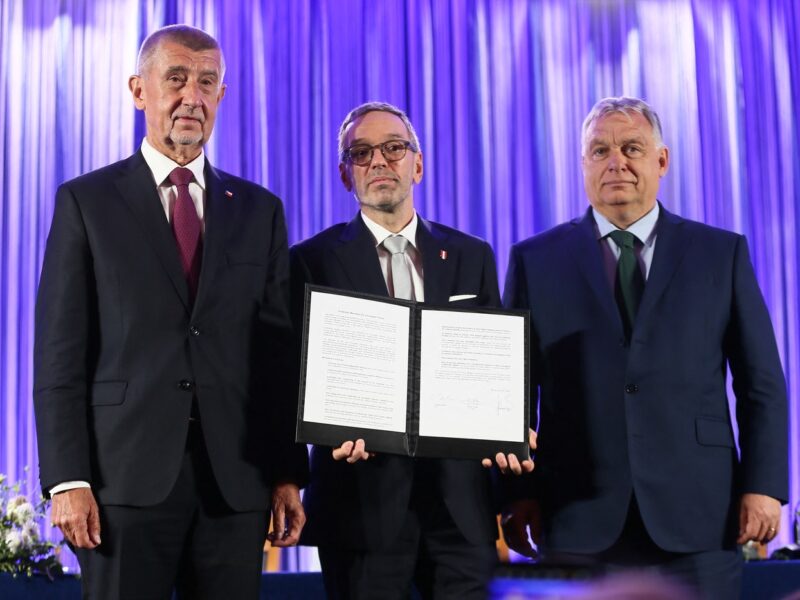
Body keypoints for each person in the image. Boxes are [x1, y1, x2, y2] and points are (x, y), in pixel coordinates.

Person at [33, 24, 307, 599]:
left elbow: (279, 356)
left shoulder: (260, 211)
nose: (193, 96)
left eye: (208, 82)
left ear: (223, 96)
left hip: (235, 484)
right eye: (176, 79)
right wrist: (67, 479)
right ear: (139, 91)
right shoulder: (86, 202)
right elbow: (60, 355)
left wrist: (286, 473)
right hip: (119, 484)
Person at [501, 96, 788, 599]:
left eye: (632, 148)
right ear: (582, 164)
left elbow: (760, 380)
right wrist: (516, 492)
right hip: (575, 514)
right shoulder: (534, 260)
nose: (617, 163)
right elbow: (512, 393)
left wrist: (763, 485)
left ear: (661, 160)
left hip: (699, 515)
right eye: (599, 151)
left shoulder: (721, 253)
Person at [290, 101, 501, 599]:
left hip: (459, 509)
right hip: (358, 506)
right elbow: (292, 374)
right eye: (361, 153)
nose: (379, 162)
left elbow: (494, 363)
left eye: (393, 148)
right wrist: (328, 427)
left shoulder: (473, 255)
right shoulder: (310, 261)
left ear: (418, 164)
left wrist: (504, 422)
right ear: (346, 176)